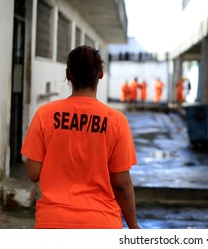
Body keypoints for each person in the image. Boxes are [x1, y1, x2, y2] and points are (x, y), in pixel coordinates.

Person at [21, 45, 140, 229]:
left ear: (68, 74)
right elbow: (122, 184)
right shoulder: (116, 121)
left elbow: (33, 173)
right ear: (100, 73)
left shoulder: (44, 114)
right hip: (101, 224)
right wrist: (134, 227)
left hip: (53, 222)